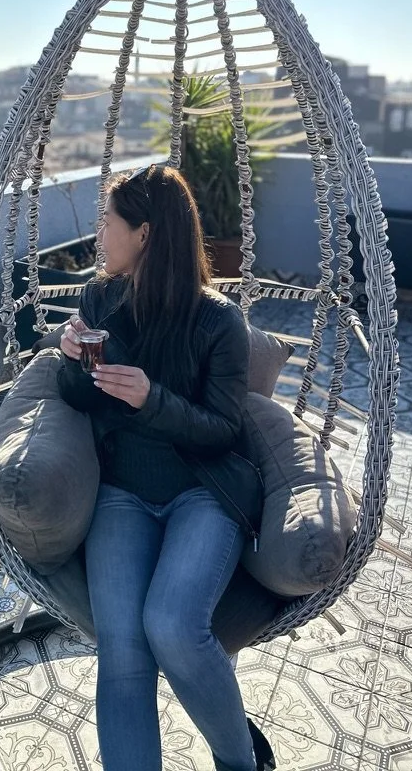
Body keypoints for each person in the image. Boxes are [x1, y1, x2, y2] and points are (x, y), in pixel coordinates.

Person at [56, 164, 271, 771]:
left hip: (202, 492)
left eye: (108, 220)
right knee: (122, 649)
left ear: (144, 234)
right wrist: (72, 363)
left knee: (172, 624)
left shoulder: (218, 321)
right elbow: (81, 397)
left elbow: (223, 430)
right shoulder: (101, 296)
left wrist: (151, 399)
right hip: (122, 492)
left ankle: (241, 762)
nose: (99, 232)